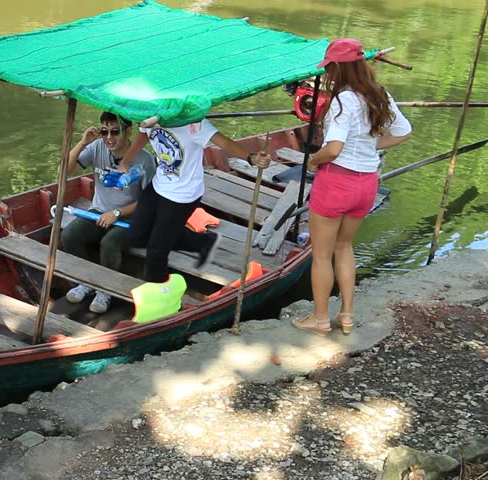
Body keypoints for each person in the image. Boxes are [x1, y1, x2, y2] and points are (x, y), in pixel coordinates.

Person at [292, 38, 411, 336]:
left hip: (336, 181)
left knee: (321, 254)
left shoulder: (343, 100)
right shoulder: (379, 95)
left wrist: (314, 161)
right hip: (366, 184)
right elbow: (403, 132)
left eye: (330, 68)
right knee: (345, 247)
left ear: (337, 68)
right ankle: (346, 316)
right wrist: (370, 146)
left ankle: (320, 319)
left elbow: (333, 149)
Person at [118, 118, 271, 283]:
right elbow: (143, 135)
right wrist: (125, 161)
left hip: (183, 195)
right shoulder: (149, 114)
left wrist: (252, 158)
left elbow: (224, 143)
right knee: (136, 236)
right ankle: (203, 242)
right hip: (158, 185)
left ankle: (162, 297)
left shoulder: (193, 121)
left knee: (156, 252)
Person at [62, 112, 156, 313]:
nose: (109, 138)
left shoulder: (144, 159)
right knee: (70, 235)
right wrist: (82, 143)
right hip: (98, 212)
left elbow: (150, 201)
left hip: (132, 217)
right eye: (104, 132)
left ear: (128, 132)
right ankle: (87, 281)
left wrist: (118, 212)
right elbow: (64, 170)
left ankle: (106, 290)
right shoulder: (97, 147)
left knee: (110, 243)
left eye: (115, 132)